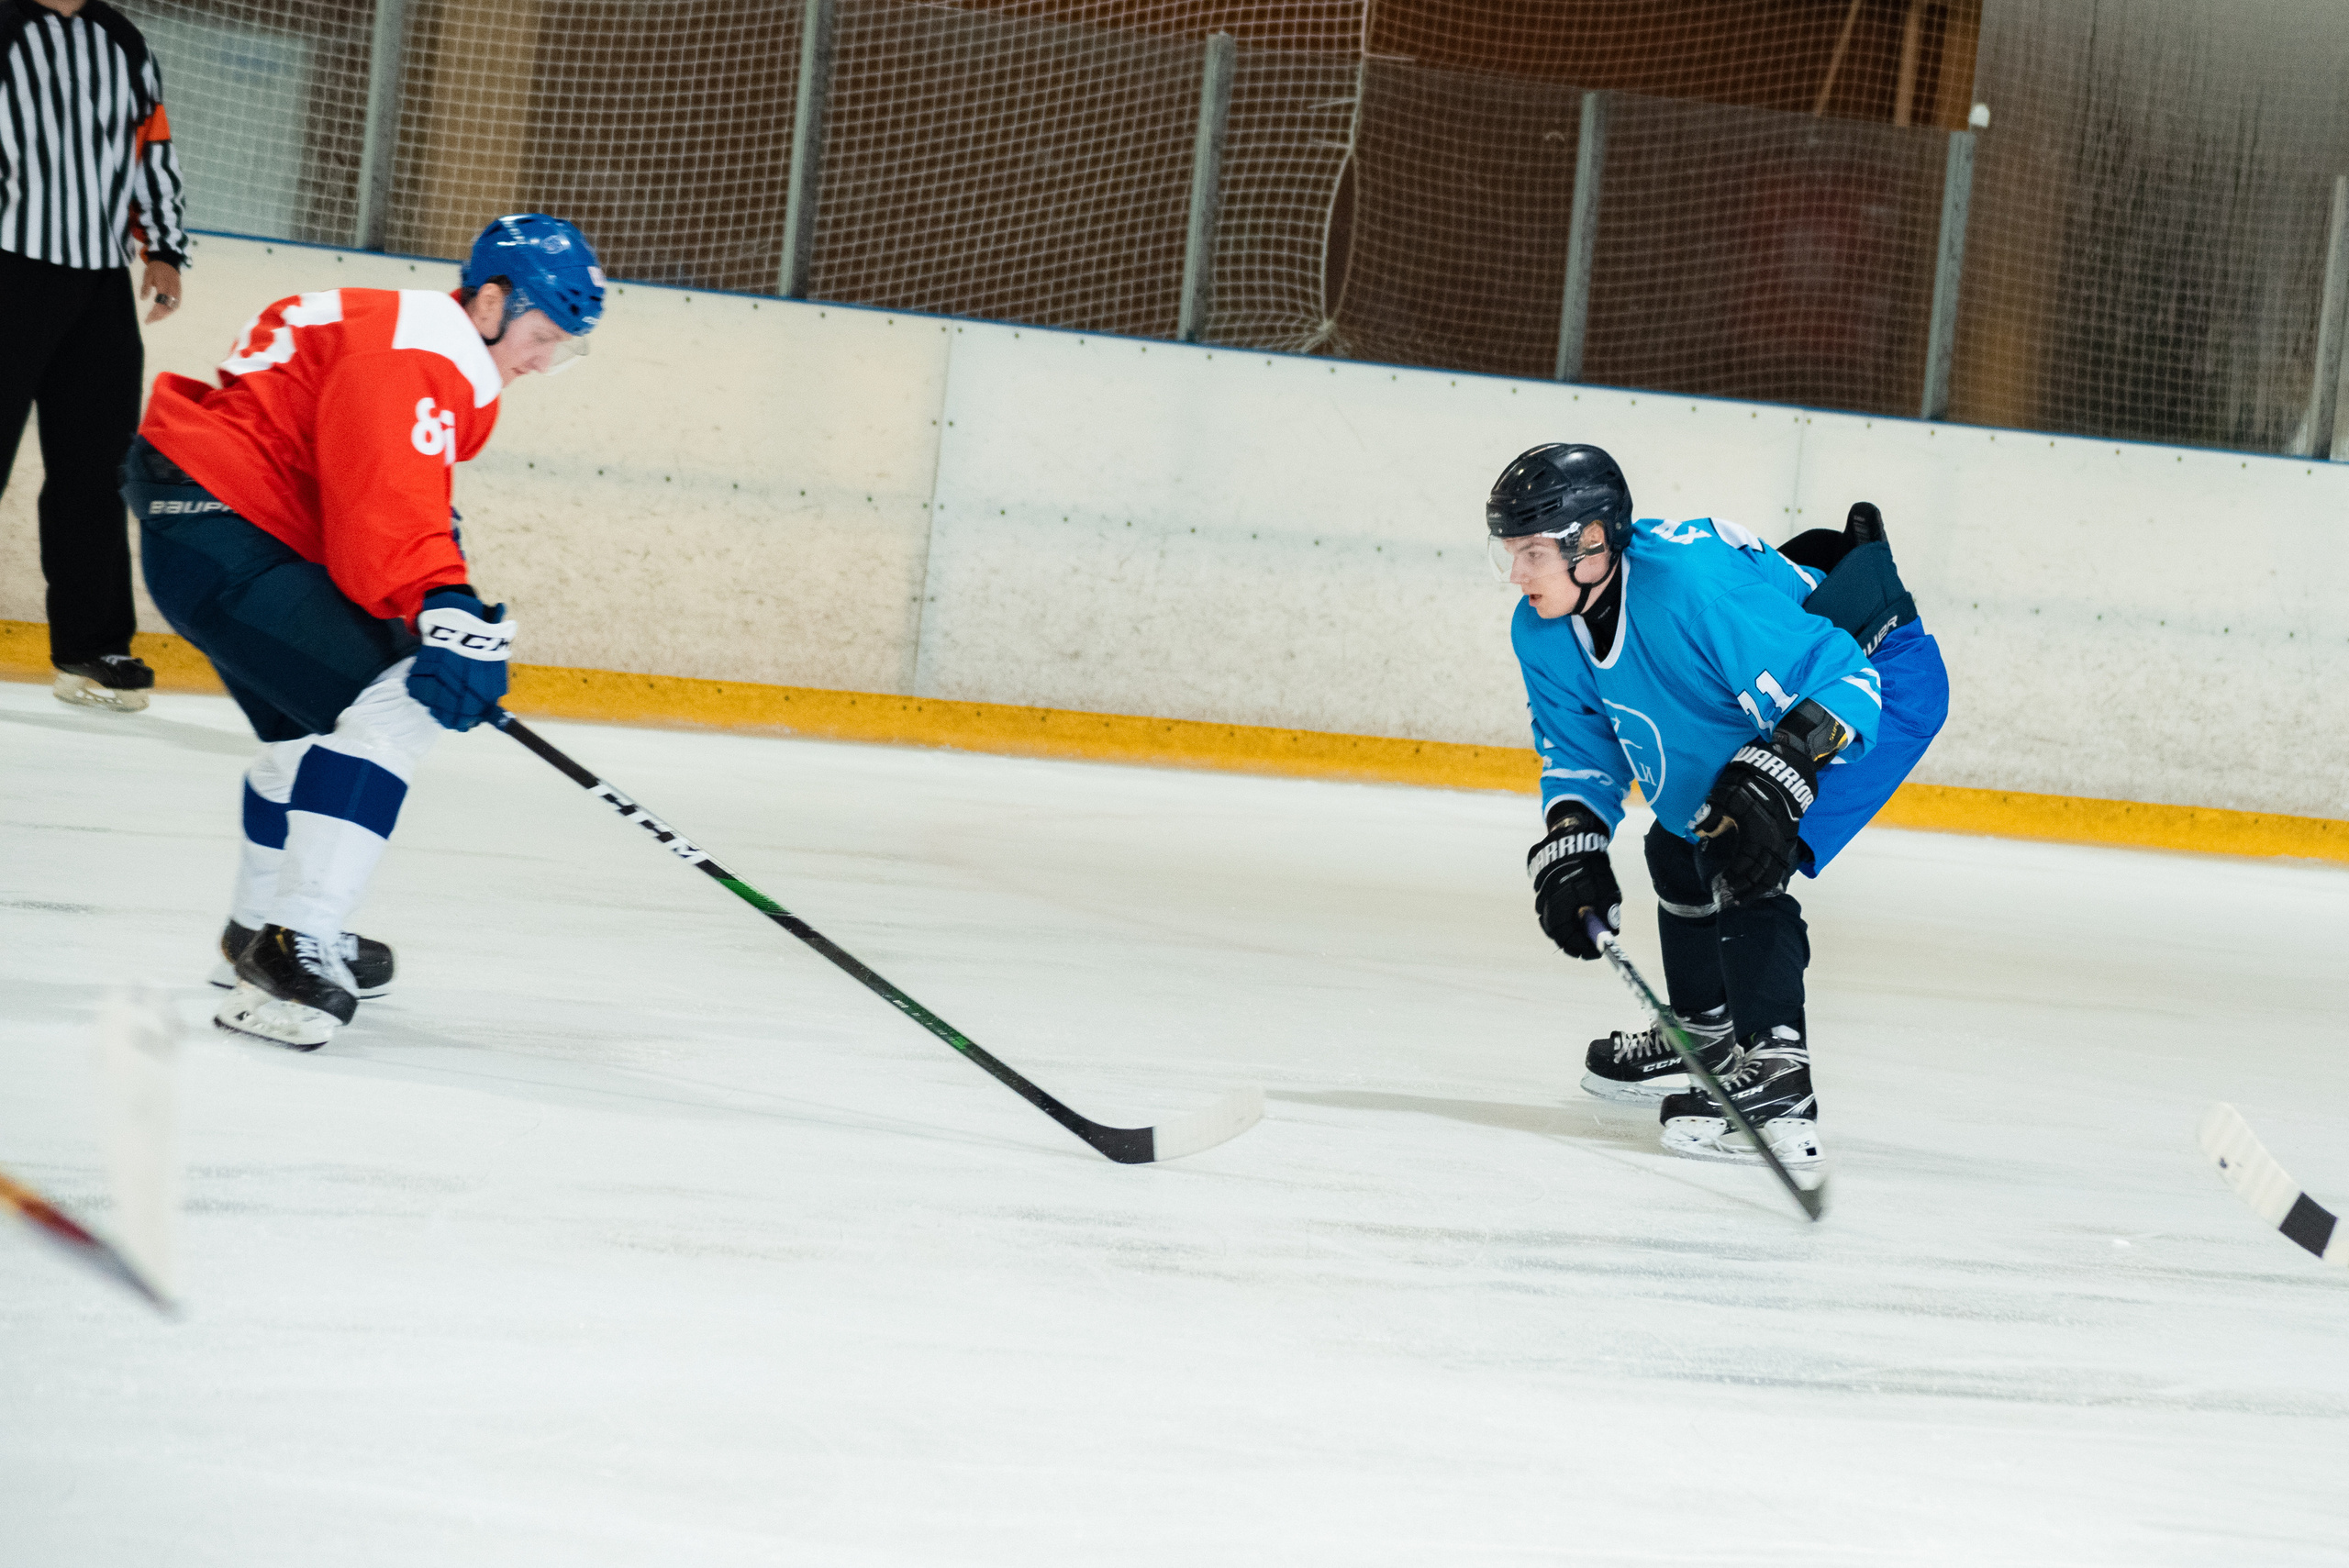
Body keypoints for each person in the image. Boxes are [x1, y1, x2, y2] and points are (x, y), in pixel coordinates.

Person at [120, 213, 606, 1049]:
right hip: (226, 527)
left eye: (561, 347)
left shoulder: (415, 338)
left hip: (215, 522)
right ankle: (292, 944)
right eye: (540, 336)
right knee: (398, 701)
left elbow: (388, 492)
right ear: (491, 304)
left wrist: (444, 602)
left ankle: (255, 931)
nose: (542, 360)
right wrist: (441, 604)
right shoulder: (420, 351)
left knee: (313, 732)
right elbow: (382, 505)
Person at [1491, 443, 1949, 1166]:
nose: (1517, 575)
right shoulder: (1543, 627)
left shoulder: (1690, 586)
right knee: (1677, 841)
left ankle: (1779, 1076)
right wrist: (1575, 836)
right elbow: (1580, 752)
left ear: (1593, 543)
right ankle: (1705, 1036)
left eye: (1532, 554)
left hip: (1881, 680)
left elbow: (1842, 678)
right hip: (1796, 685)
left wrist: (1787, 759)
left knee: (1745, 843)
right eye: (1509, 553)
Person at [1, 0, 190, 712]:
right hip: (7, 265)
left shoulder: (122, 40)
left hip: (100, 284)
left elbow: (153, 148)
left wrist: (164, 248)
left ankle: (92, 645)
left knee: (96, 469)